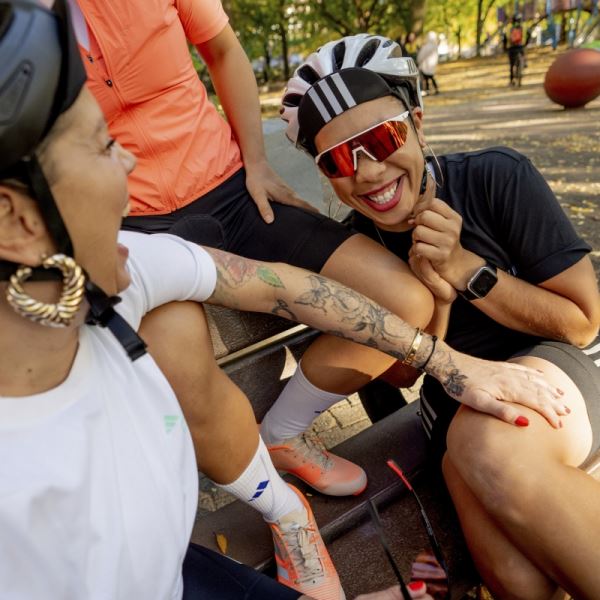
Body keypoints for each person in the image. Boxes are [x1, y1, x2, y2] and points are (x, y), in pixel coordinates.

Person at [0, 6, 565, 599]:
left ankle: (284, 450)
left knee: (402, 293)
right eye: (102, 145)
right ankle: (284, 509)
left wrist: (450, 365)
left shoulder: (134, 266)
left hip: (221, 185)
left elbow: (283, 286)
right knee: (183, 364)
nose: (128, 156)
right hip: (138, 220)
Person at [278, 33, 600, 598]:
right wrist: (439, 304)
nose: (370, 170)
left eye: (381, 137)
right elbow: (401, 375)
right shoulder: (355, 253)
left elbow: (582, 322)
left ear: (418, 124)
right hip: (452, 406)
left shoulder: (496, 176)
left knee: (486, 445)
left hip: (564, 371)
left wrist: (465, 270)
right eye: (338, 159)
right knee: (517, 580)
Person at [507, 14, 527, 86]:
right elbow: (525, 36)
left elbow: (507, 37)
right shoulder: (523, 26)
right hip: (520, 46)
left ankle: (511, 79)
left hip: (511, 47)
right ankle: (524, 62)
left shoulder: (509, 27)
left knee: (511, 65)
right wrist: (524, 43)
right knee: (523, 54)